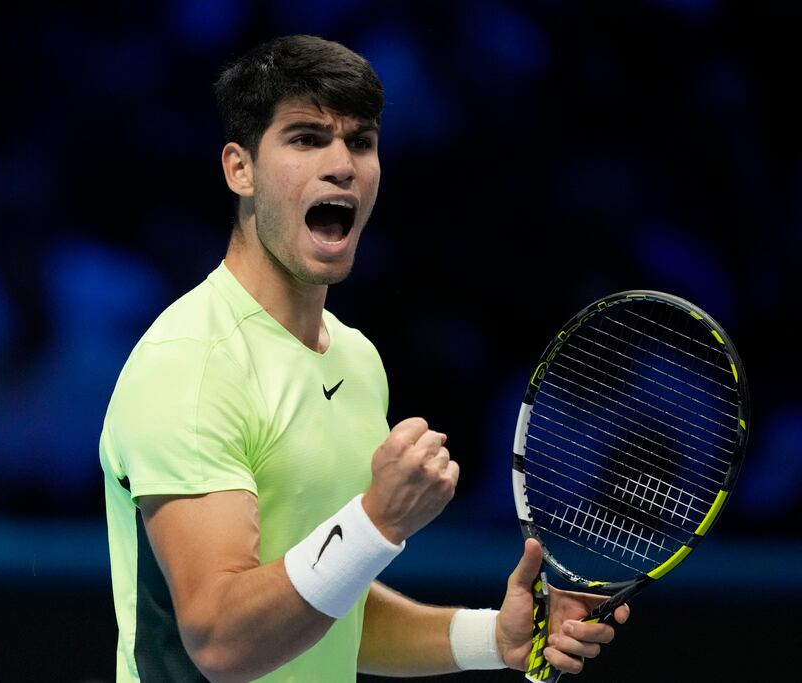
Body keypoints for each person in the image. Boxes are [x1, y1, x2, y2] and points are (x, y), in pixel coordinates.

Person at [99, 34, 630, 682]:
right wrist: (377, 520)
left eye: (361, 141)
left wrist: (492, 636)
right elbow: (222, 641)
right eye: (306, 138)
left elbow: (327, 607)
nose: (342, 165)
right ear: (240, 170)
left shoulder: (356, 358)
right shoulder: (191, 365)